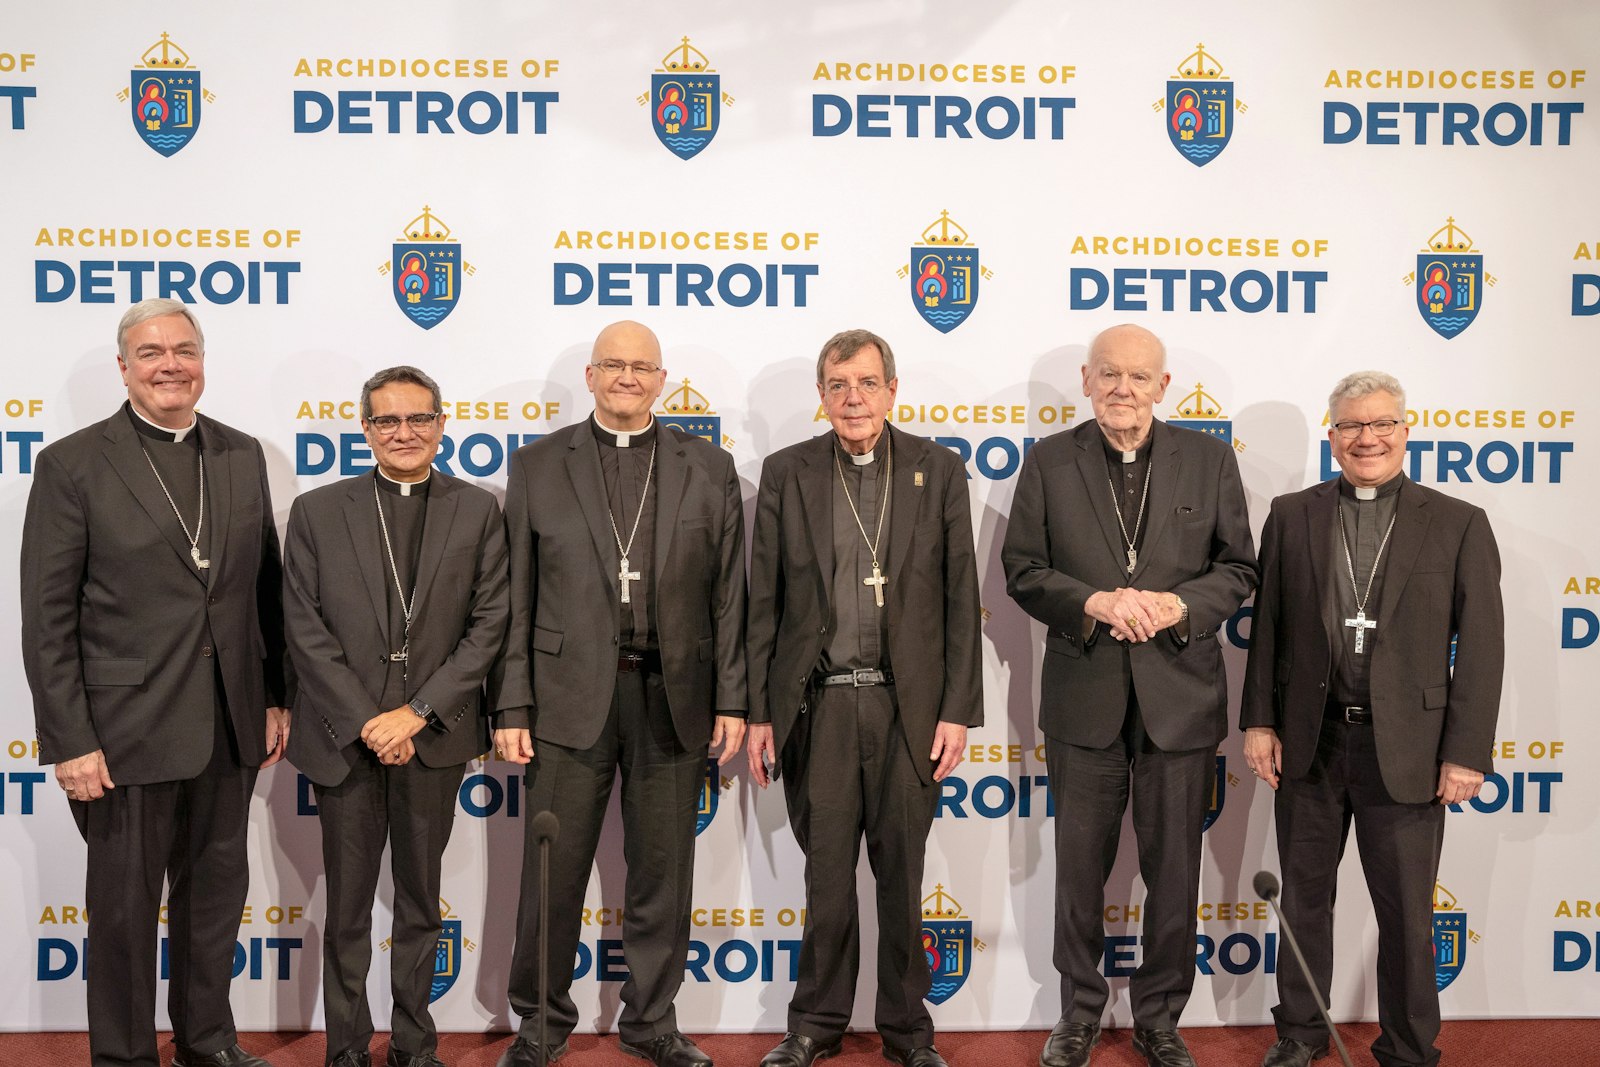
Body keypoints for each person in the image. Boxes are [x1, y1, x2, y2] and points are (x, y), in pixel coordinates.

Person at [20, 298, 293, 1067]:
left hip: (230, 724)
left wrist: (276, 694)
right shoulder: (73, 463)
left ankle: (208, 1040)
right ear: (123, 367)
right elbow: (47, 620)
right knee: (123, 916)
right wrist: (70, 739)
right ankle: (125, 1056)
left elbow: (264, 589)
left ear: (203, 361)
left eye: (184, 349)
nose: (170, 363)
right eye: (150, 352)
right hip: (123, 735)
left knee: (213, 906)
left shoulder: (242, 454)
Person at [490, 321, 747, 1067]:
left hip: (675, 697)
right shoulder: (538, 464)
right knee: (552, 872)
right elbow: (515, 594)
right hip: (565, 699)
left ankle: (653, 1020)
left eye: (642, 367)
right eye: (614, 365)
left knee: (664, 870)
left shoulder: (710, 465)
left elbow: (730, 594)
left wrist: (733, 698)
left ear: (661, 379)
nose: (628, 377)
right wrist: (511, 704)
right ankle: (539, 1025)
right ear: (592, 376)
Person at [1002, 324, 1257, 1067]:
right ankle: (1079, 1010)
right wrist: (1095, 602)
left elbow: (1238, 569)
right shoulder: (1049, 461)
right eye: (1108, 374)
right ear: (1086, 381)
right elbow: (1023, 568)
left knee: (1174, 869)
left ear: (1163, 386)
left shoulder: (1209, 460)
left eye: (1139, 376)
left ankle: (1159, 1016)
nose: (1123, 388)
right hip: (1086, 696)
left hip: (1179, 698)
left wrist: (1177, 606)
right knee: (1079, 867)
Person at [1240, 371, 1503, 1067]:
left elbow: (1481, 645)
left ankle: (1411, 1046)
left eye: (1382, 423)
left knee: (1410, 915)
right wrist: (1259, 720)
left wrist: (1466, 750)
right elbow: (1267, 627)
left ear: (1405, 431)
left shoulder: (1457, 521)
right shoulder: (1292, 514)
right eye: (1352, 425)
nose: (1368, 438)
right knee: (1304, 903)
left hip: (1410, 748)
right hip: (1312, 740)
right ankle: (1298, 1034)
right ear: (1332, 437)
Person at [746, 328, 982, 1067]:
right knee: (824, 877)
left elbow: (960, 597)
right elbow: (764, 601)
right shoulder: (787, 472)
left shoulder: (938, 469)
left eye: (868, 383)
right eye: (839, 384)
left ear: (892, 390)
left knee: (902, 875)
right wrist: (759, 708)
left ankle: (908, 1030)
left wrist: (957, 708)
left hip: (905, 708)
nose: (854, 397)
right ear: (822, 395)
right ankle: (815, 1022)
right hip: (816, 705)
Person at [283, 366, 510, 1067]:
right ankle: (346, 1047)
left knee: (421, 903)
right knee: (348, 910)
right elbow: (304, 628)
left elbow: (489, 623)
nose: (404, 432)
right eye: (387, 420)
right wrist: (368, 722)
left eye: (418, 419)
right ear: (365, 429)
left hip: (432, 739)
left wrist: (413, 714)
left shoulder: (478, 510)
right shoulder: (319, 511)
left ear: (443, 425)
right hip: (343, 742)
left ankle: (415, 1043)